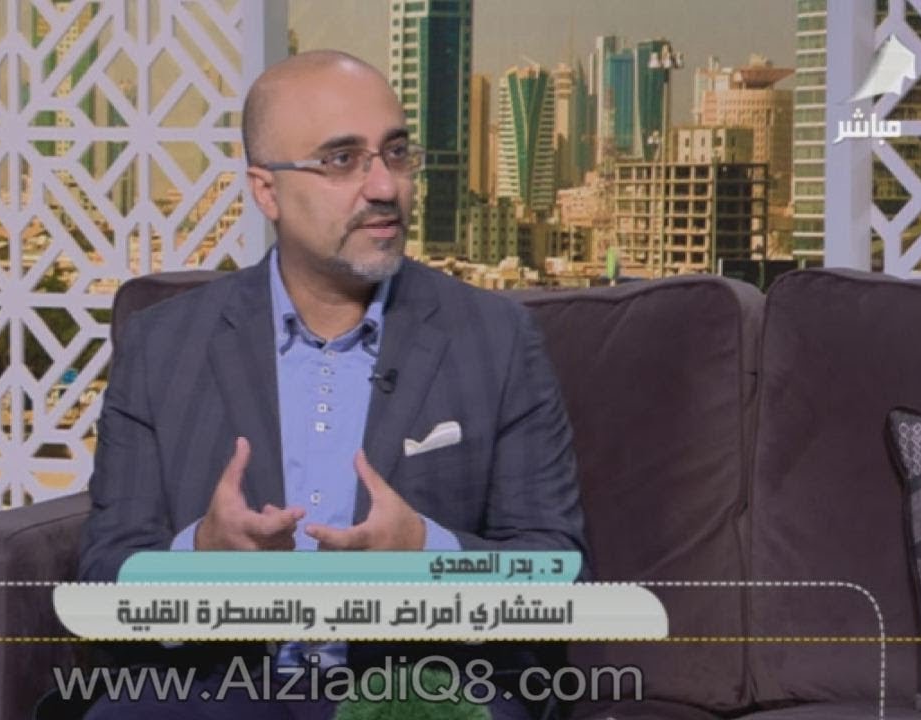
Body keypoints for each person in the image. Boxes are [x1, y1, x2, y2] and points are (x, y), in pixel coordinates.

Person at [77, 49, 588, 720]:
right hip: (217, 689)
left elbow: (558, 572)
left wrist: (426, 555)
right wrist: (199, 559)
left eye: (396, 153)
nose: (384, 186)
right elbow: (104, 576)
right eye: (342, 160)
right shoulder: (163, 345)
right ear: (267, 191)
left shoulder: (496, 339)